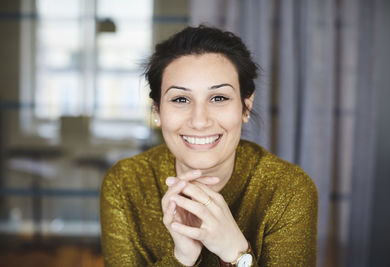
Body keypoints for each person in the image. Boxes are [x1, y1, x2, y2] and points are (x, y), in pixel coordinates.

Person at [100, 25, 318, 267]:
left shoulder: (288, 189)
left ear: (245, 106)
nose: (200, 121)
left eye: (219, 98)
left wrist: (236, 253)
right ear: (157, 111)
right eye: (181, 99)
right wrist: (182, 257)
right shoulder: (125, 183)